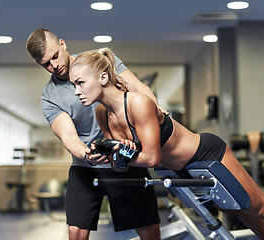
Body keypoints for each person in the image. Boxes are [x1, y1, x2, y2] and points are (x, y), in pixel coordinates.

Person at [69, 47, 264, 240]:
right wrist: (115, 156)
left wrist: (125, 154)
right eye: (73, 85)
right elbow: (119, 167)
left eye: (80, 83)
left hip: (205, 154)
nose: (77, 91)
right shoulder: (102, 114)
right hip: (181, 170)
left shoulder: (138, 103)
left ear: (103, 77)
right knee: (239, 210)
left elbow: (153, 158)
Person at [26, 29, 163, 240]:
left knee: (149, 230)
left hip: (125, 158)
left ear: (62, 44)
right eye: (46, 63)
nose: (54, 65)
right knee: (76, 232)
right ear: (39, 64)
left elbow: (138, 88)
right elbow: (69, 137)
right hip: (86, 168)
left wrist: (156, 111)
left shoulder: (99, 61)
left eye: (55, 56)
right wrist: (86, 154)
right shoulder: (49, 97)